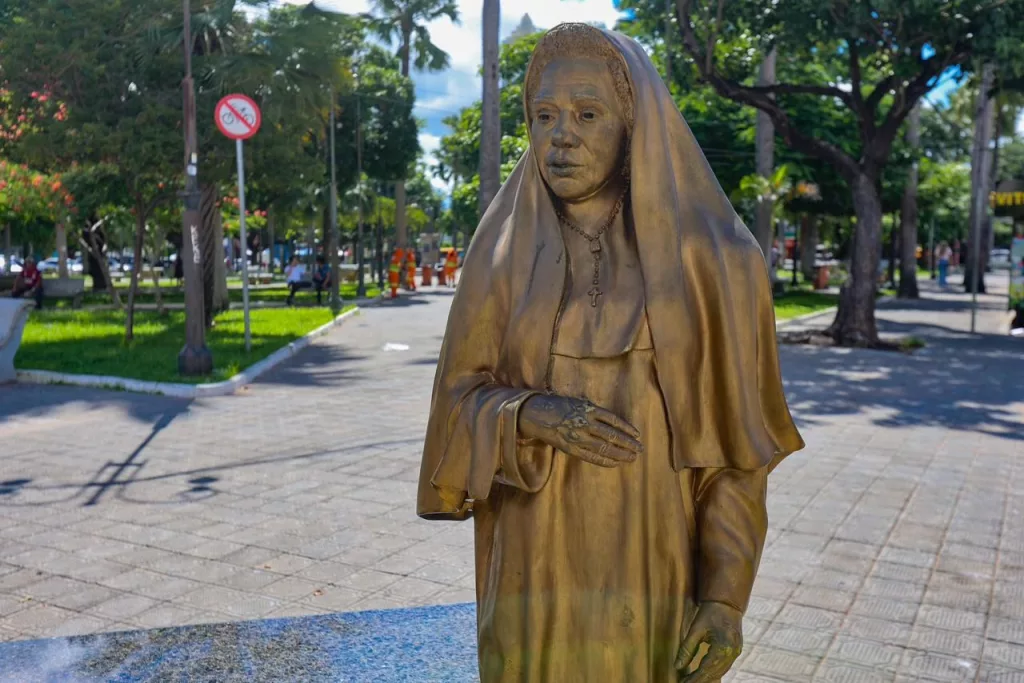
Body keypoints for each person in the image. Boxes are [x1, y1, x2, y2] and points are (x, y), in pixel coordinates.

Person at [418, 24, 803, 683]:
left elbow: (736, 457)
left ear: (633, 122)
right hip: (530, 574)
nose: (560, 135)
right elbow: (454, 407)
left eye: (587, 113)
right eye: (544, 115)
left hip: (652, 572)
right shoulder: (501, 254)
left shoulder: (718, 263)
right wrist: (530, 415)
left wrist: (724, 597)